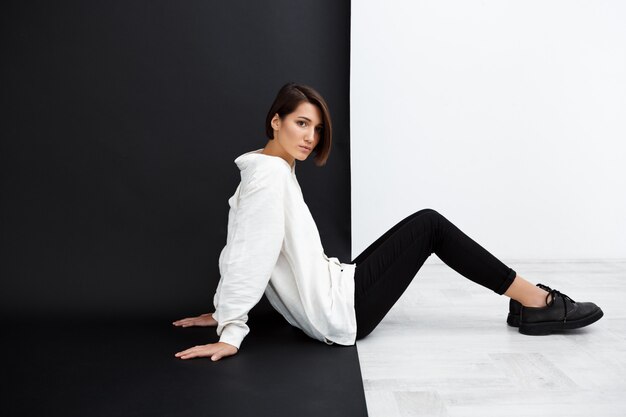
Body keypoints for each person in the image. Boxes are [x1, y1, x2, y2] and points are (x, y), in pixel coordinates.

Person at [173, 82, 604, 362]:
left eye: (317, 129)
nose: (310, 137)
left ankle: (529, 301)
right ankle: (537, 302)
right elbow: (251, 252)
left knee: (426, 223)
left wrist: (221, 309)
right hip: (340, 312)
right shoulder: (268, 177)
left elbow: (238, 243)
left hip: (338, 287)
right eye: (301, 123)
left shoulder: (266, 169)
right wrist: (231, 326)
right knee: (431, 225)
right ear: (276, 120)